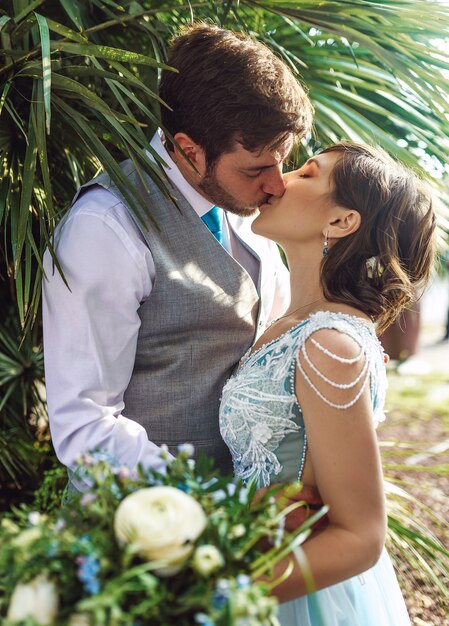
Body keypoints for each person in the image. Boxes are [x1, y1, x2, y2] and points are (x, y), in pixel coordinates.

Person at [42, 24, 313, 482]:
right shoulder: (105, 227)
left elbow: (277, 331)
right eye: (257, 168)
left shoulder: (249, 202)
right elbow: (84, 426)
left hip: (255, 509)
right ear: (189, 150)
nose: (277, 184)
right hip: (144, 525)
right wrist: (201, 504)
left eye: (282, 160)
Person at [219, 142, 436, 625]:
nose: (280, 178)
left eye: (306, 173)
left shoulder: (328, 345)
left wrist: (219, 591)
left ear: (341, 222)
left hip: (290, 591)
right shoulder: (290, 325)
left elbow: (360, 536)